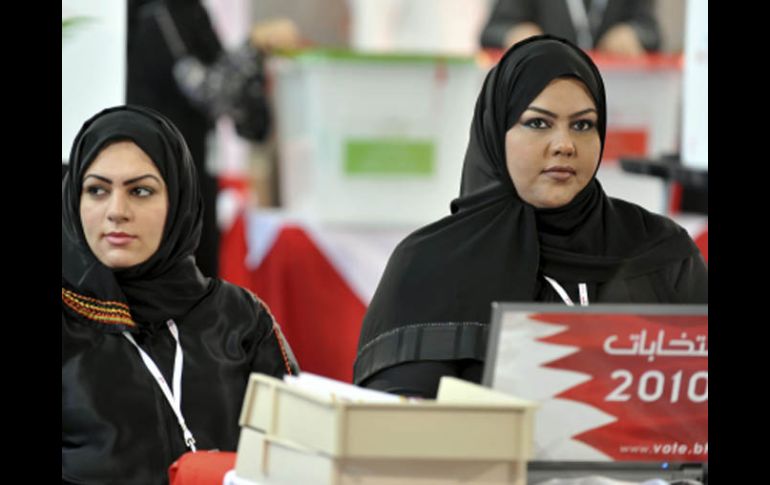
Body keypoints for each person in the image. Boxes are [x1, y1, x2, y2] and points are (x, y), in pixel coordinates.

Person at [353, 35, 706, 399]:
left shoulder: (660, 253)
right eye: (539, 123)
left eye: (583, 125)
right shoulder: (429, 264)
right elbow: (397, 433)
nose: (564, 144)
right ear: (495, 133)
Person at [62, 105, 298, 484]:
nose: (116, 211)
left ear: (179, 202)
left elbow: (299, 456)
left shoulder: (241, 319)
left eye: (140, 191)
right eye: (97, 190)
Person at [127, 0, 301, 278]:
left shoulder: (190, 11)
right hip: (159, 183)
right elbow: (209, 90)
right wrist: (253, 46)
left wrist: (255, 58)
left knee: (198, 283)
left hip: (195, 179)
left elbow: (244, 113)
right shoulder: (156, 12)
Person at [480, 0, 661, 56]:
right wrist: (514, 33)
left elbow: (652, 33)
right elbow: (491, 32)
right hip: (544, 89)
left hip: (613, 98)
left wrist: (634, 33)